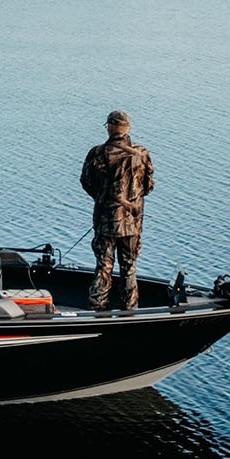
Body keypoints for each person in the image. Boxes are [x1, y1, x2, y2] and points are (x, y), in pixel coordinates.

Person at [80, 110, 154, 311]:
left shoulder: (97, 154)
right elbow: (148, 186)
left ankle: (98, 308)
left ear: (110, 128)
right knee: (129, 267)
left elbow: (86, 183)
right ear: (127, 128)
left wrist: (103, 198)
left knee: (104, 266)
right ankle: (130, 309)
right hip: (132, 222)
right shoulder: (142, 154)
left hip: (106, 222)